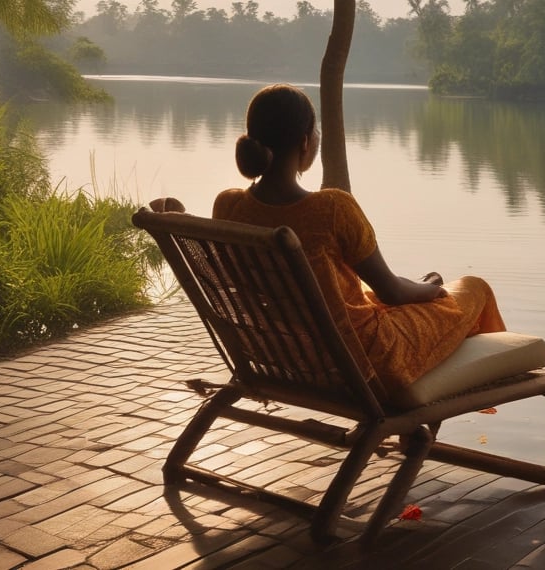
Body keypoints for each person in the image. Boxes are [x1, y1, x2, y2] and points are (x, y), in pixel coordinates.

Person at [212, 84, 506, 398]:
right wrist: (434, 291)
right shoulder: (332, 209)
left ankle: (419, 425)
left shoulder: (229, 206)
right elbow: (391, 292)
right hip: (365, 363)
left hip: (281, 354)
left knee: (388, 296)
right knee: (473, 289)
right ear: (305, 142)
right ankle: (428, 401)